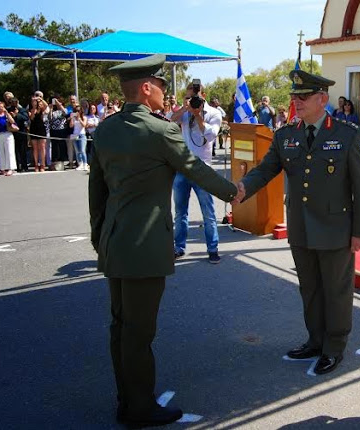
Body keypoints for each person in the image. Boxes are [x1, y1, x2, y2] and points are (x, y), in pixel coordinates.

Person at [88, 54, 240, 427]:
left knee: (120, 326)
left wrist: (99, 236)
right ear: (145, 88)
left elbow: (97, 193)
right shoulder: (160, 131)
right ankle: (139, 408)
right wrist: (233, 192)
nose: (164, 91)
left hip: (114, 242)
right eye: (159, 84)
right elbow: (195, 168)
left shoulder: (106, 129)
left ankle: (127, 397)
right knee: (139, 332)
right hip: (144, 249)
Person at [235, 69, 360, 375]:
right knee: (310, 288)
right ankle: (315, 340)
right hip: (301, 227)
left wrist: (359, 232)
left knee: (335, 290)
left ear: (322, 99)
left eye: (303, 96)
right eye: (294, 97)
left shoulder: (347, 134)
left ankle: (334, 346)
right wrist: (243, 188)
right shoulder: (286, 135)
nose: (296, 102)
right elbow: (266, 168)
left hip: (336, 229)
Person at [170, 82, 224, 263]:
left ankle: (213, 249)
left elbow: (211, 136)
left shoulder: (214, 113)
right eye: (187, 97)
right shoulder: (184, 111)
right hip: (183, 167)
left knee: (208, 212)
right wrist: (184, 108)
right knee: (180, 212)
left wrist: (198, 115)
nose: (190, 100)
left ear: (203, 96)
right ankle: (179, 248)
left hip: (203, 169)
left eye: (193, 97)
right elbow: (169, 120)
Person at [0, 101, 18, 176]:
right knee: (0, 151)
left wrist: (7, 113)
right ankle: (2, 168)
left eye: (2, 107)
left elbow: (12, 121)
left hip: (7, 134)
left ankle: (11, 168)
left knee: (9, 151)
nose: (1, 108)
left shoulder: (7, 115)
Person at [29, 95, 48, 172]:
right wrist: (34, 107)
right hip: (34, 129)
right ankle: (36, 164)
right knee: (35, 148)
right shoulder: (31, 110)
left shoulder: (42, 110)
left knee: (42, 147)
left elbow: (46, 105)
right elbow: (32, 117)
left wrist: (40, 99)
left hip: (41, 128)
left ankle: (43, 164)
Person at [69, 105, 88, 170]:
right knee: (77, 151)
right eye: (76, 111)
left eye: (78, 110)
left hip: (82, 135)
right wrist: (71, 118)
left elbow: (84, 125)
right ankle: (80, 164)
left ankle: (85, 164)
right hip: (75, 135)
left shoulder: (84, 117)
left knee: (82, 150)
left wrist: (79, 118)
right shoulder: (74, 118)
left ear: (81, 111)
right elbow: (71, 126)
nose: (77, 112)